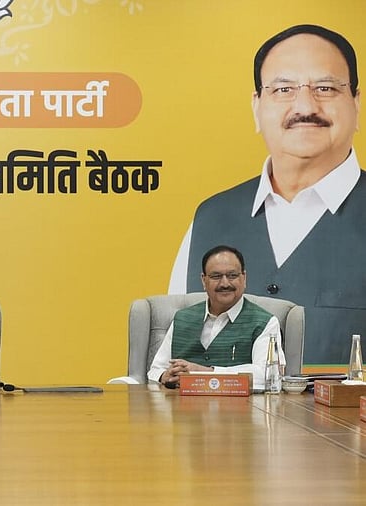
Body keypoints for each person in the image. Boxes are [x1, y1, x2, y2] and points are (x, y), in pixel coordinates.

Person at [169, 24, 362, 367]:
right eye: (283, 88)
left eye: (325, 87)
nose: (305, 105)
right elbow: (174, 356)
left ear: (356, 104)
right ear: (257, 107)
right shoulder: (211, 217)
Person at [153, 245, 284, 389]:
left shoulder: (265, 322)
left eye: (232, 275)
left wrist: (204, 372)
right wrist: (164, 376)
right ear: (204, 280)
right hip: (182, 407)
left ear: (244, 278)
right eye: (216, 276)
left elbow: (268, 375)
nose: (225, 283)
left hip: (241, 408)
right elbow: (155, 370)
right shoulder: (182, 318)